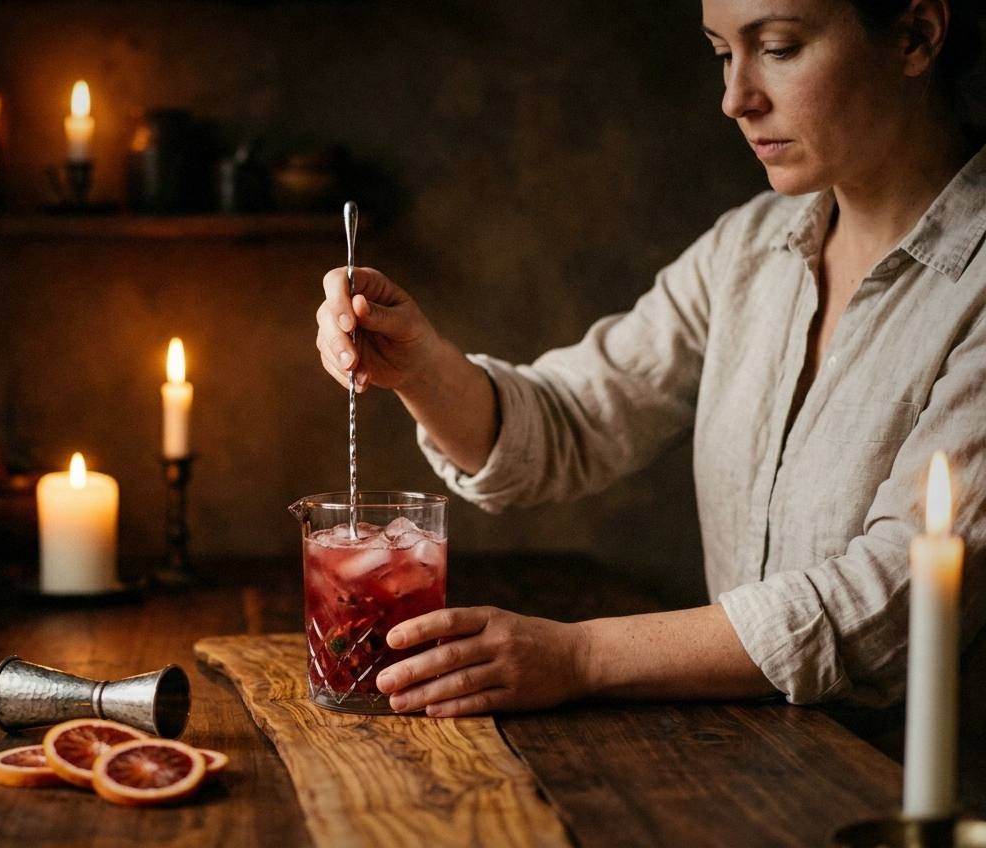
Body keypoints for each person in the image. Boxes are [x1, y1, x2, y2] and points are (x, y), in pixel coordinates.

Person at [314, 0, 985, 718]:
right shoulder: (751, 248)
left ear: (915, 36)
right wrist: (421, 367)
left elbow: (897, 597)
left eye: (779, 48)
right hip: (757, 779)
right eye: (723, 53)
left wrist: (581, 656)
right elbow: (574, 422)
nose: (736, 98)